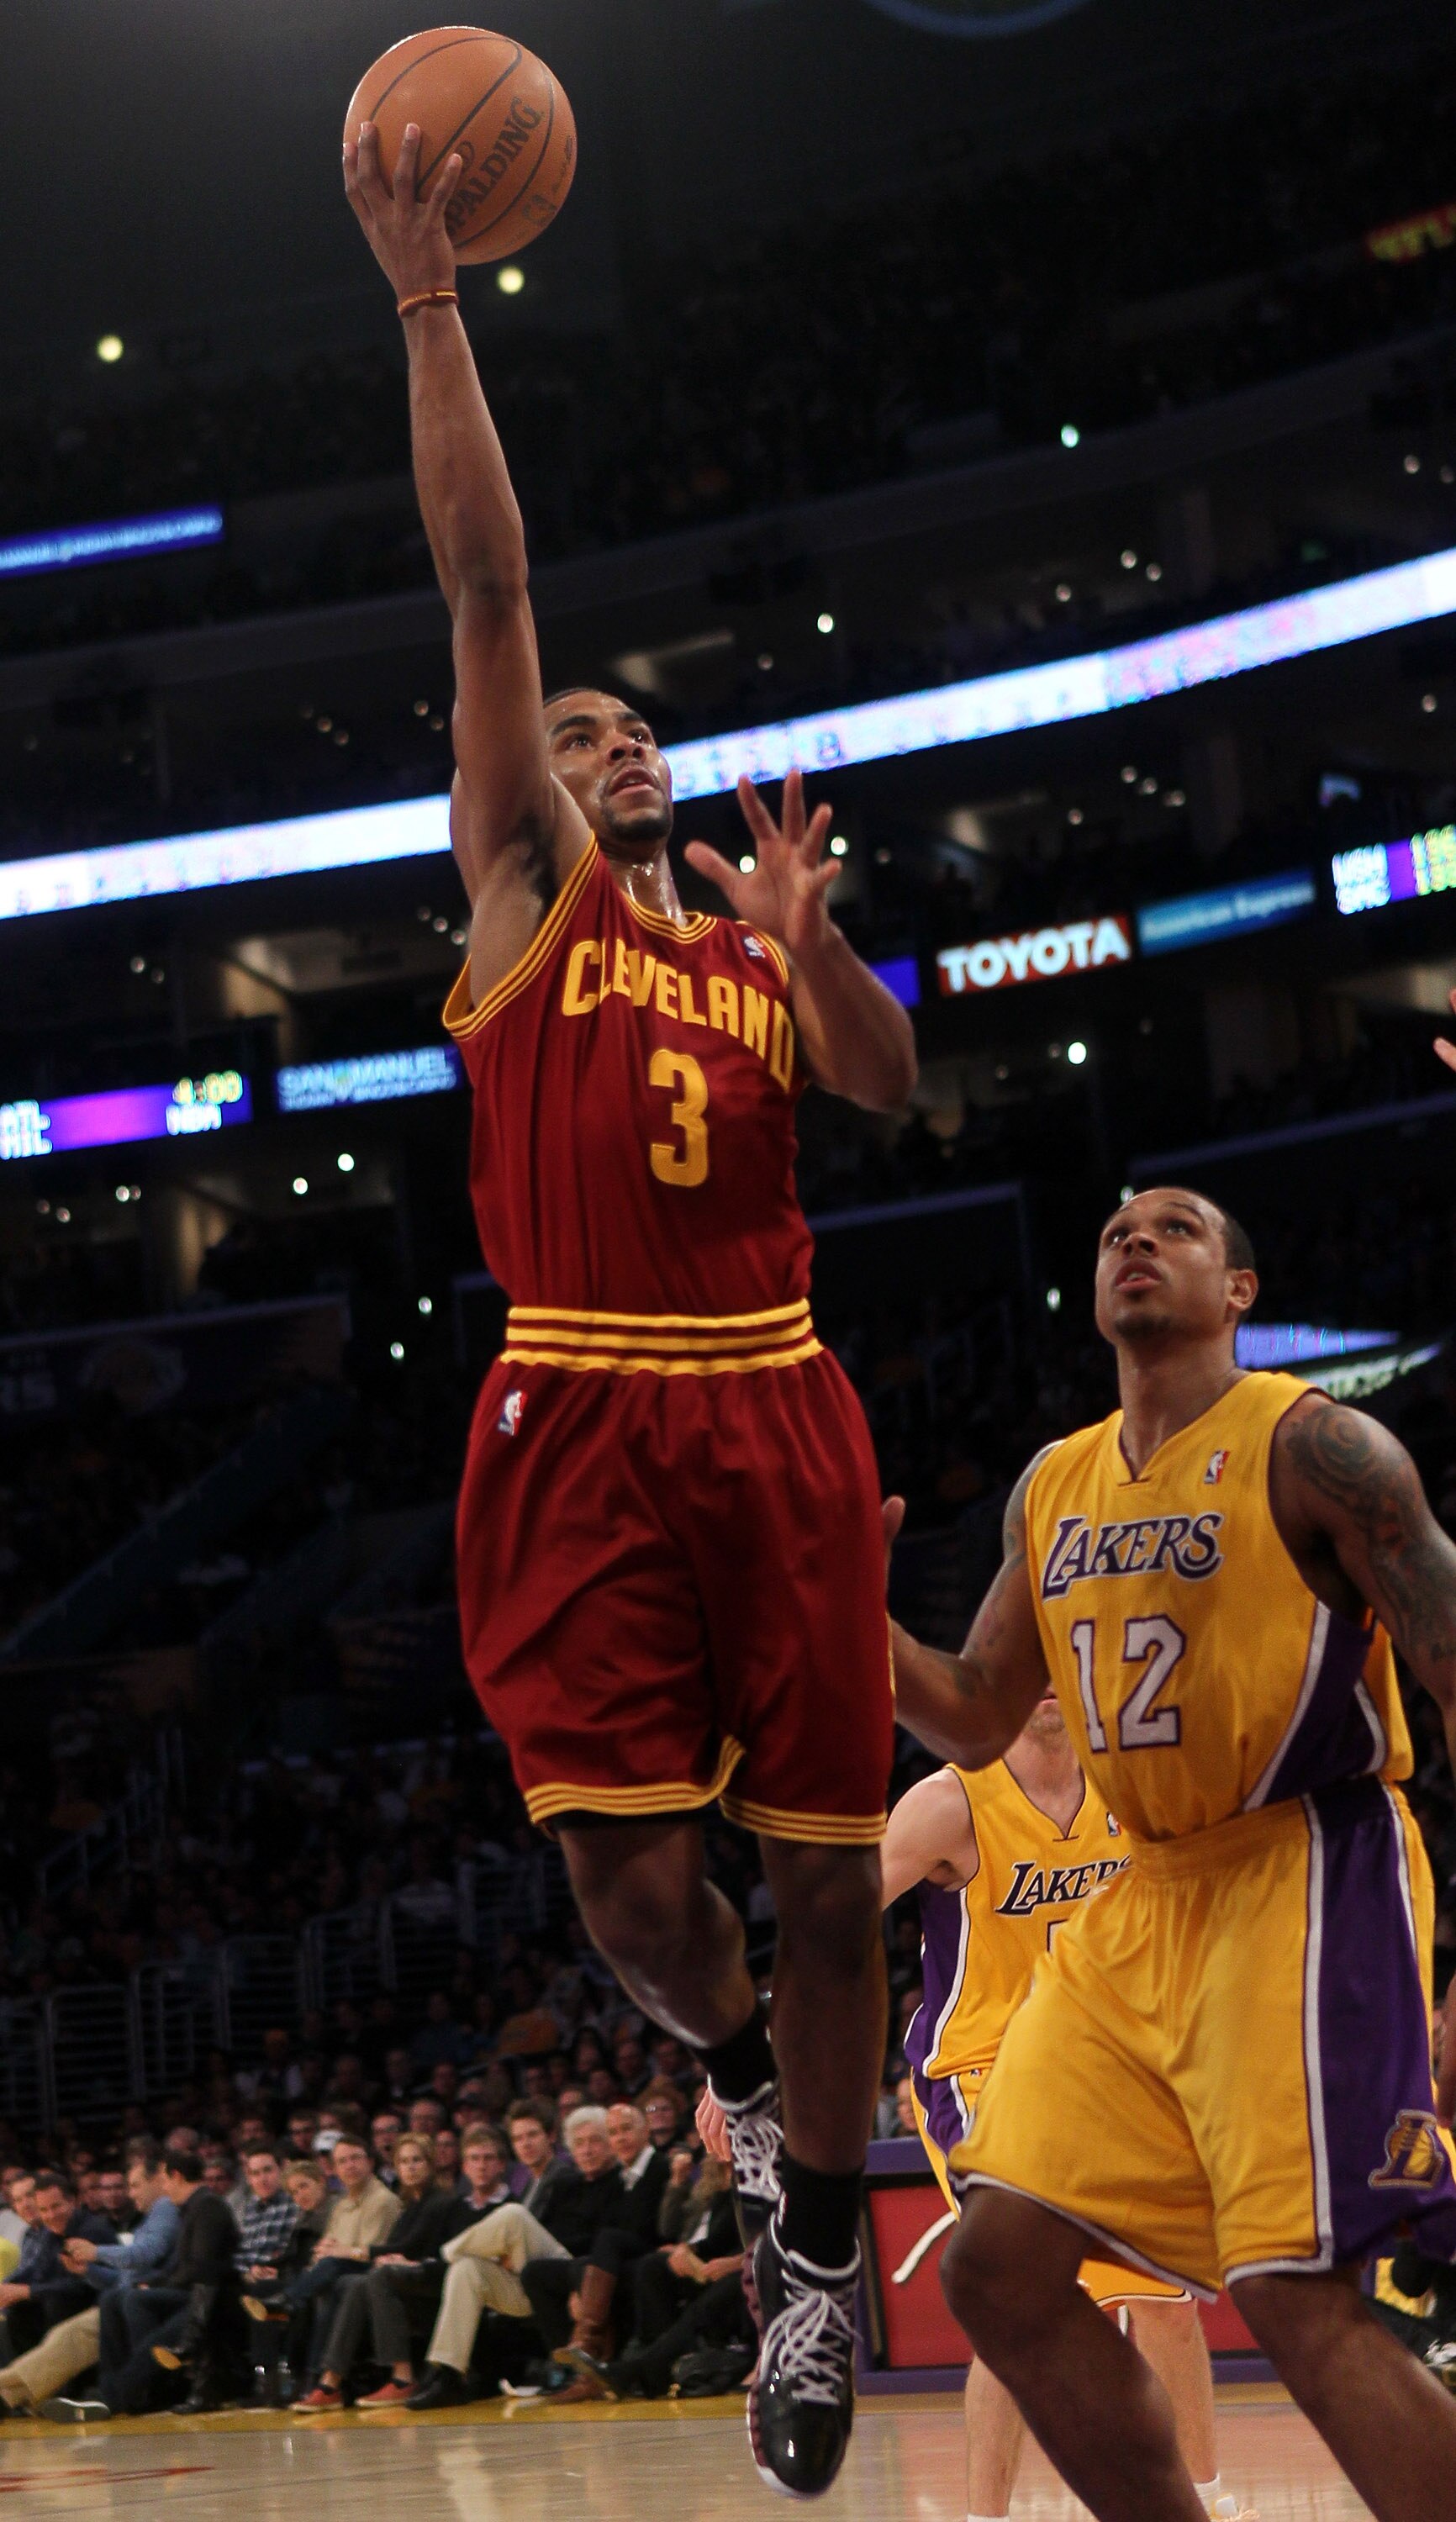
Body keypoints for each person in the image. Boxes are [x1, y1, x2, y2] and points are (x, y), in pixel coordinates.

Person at [343, 113, 917, 2501]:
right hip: (575, 1401)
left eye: (629, 733)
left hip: (774, 1398)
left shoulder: (748, 954)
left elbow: (889, 1091)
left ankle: (816, 2249)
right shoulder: (526, 896)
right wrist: (428, 296)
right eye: (577, 735)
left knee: (826, 1876)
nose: (610, 747)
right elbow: (488, 587)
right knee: (637, 1889)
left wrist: (814, 945)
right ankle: (740, 2076)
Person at [889, 1184, 1456, 2522]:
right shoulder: (1054, 1482)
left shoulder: (1323, 1448)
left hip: (1303, 1864)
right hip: (1146, 1896)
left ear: (1239, 1292)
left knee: (1294, 2296)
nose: (1136, 1240)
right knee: (998, 2269)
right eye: (1114, 1234)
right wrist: (855, 1624)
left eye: (1177, 1228)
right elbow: (974, 1710)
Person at [882, 1711, 1245, 2522]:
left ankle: (1208, 2504)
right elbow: (834, 1918)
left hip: (1108, 2068)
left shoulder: (1129, 1779)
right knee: (1015, 2296)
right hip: (984, 2072)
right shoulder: (949, 1803)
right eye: (1028, 1660)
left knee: (1168, 2301)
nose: (1046, 1678)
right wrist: (754, 2044)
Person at [405, 2105, 625, 2409]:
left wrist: (581, 2282)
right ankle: (449, 2374)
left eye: (595, 2141)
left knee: (512, 2215)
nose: (586, 2150)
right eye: (580, 2143)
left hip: (575, 2272)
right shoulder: (548, 2183)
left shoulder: (579, 2178)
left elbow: (600, 2241)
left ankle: (443, 2256)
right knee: (466, 2269)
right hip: (535, 2278)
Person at [296, 2130, 504, 2412]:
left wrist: (365, 2254)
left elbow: (412, 2247)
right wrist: (388, 2257)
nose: (410, 2167)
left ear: (430, 2164)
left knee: (376, 2277)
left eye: (417, 2160)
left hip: (439, 2283)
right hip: (413, 2282)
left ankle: (402, 2377)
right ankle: (330, 2381)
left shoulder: (442, 2201)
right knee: (355, 2283)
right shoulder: (411, 2206)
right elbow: (397, 2247)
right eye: (404, 2162)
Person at [41, 2148, 238, 2421]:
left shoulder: (207, 2208)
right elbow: (183, 2268)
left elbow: (203, 2270)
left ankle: (118, 2396)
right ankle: (118, 2391)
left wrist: (152, 2281)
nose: (163, 2188)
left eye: (164, 2180)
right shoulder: (192, 2208)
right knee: (116, 2298)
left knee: (138, 2304)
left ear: (176, 2176)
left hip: (211, 2297)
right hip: (191, 2290)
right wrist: (94, 2271)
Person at [0, 2145, 177, 2416]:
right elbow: (119, 2279)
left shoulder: (163, 2209)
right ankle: (13, 2397)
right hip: (120, 2299)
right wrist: (87, 2270)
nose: (131, 2194)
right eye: (44, 2209)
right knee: (41, 2323)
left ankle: (10, 2393)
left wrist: (96, 2253)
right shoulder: (151, 2216)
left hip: (127, 2302)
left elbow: (144, 2254)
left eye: (135, 2185)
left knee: (63, 2325)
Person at [519, 2100, 672, 2365]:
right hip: (601, 2258)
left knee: (602, 2242)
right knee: (534, 2272)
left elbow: (650, 2226)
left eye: (626, 2130)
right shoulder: (617, 2174)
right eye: (614, 2133)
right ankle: (570, 2364)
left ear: (645, 2131)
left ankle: (590, 2341)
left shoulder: (654, 2167)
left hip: (638, 2252)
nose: (620, 2138)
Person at [0, 2171, 113, 2360]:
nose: (51, 2215)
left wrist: (27, 2291)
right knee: (18, 2312)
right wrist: (8, 2289)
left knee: (56, 2303)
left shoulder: (92, 2230)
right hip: (62, 2302)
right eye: (44, 2210)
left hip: (97, 2306)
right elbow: (38, 2271)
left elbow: (80, 2287)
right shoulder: (49, 2232)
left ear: (73, 2201)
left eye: (56, 2206)